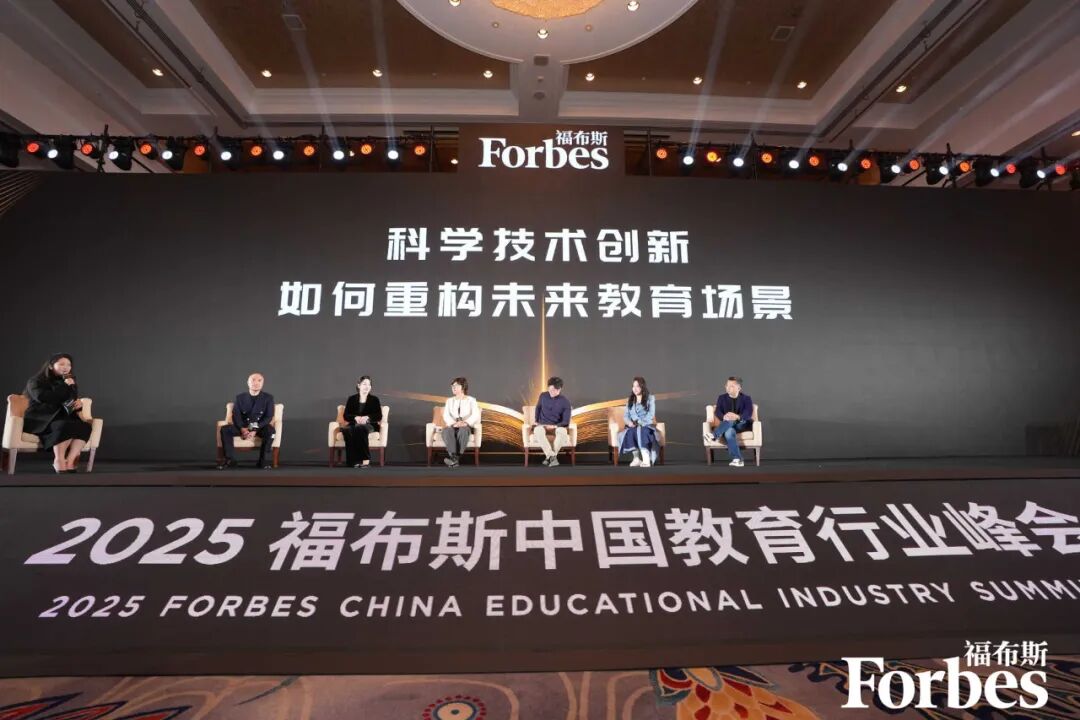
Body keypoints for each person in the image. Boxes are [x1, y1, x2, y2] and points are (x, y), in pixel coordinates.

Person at [23, 353, 92, 473]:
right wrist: (65, 385)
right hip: (42, 418)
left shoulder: (69, 381)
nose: (66, 367)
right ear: (51, 366)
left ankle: (70, 461)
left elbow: (71, 401)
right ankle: (59, 460)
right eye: (61, 364)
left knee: (85, 427)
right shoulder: (35, 381)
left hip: (63, 415)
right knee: (64, 425)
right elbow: (43, 397)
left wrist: (78, 405)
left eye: (69, 365)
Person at [217, 372, 276, 470]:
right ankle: (230, 460)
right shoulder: (240, 397)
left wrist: (254, 430)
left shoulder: (268, 398)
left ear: (263, 383)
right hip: (243, 425)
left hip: (259, 426)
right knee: (225, 429)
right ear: (248, 382)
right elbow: (236, 415)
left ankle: (263, 461)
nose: (256, 383)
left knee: (271, 431)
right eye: (253, 380)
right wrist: (242, 429)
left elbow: (268, 417)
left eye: (259, 380)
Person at [707, 376, 753, 467]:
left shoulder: (746, 398)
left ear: (739, 388)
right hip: (727, 424)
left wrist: (737, 416)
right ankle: (738, 459)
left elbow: (748, 413)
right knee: (729, 432)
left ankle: (714, 435)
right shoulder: (721, 398)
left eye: (731, 386)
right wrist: (724, 416)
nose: (728, 388)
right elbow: (718, 411)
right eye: (727, 385)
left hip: (741, 424)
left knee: (731, 419)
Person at [528, 377, 571, 467]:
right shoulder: (543, 396)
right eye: (550, 389)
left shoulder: (565, 402)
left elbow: (566, 421)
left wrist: (555, 426)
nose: (551, 392)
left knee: (563, 431)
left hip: (556, 427)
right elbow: (538, 408)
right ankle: (552, 457)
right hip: (542, 425)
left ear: (559, 389)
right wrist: (536, 420)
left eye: (554, 390)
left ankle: (550, 458)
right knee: (538, 430)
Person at [341, 375, 382, 468]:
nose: (367, 386)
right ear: (359, 385)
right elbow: (346, 415)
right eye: (364, 384)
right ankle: (352, 461)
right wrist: (355, 417)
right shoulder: (351, 399)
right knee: (347, 430)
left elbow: (378, 416)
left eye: (369, 384)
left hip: (369, 425)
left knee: (359, 429)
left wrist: (367, 417)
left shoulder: (374, 399)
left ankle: (365, 460)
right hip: (354, 424)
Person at [618, 376, 660, 467]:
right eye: (633, 386)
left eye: (637, 386)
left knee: (643, 431)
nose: (635, 388)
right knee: (630, 432)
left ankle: (646, 459)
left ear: (642, 386)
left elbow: (651, 414)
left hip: (646, 424)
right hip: (634, 425)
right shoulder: (630, 400)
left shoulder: (650, 398)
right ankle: (636, 459)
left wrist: (641, 423)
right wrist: (629, 423)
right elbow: (626, 416)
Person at [440, 377, 480, 468]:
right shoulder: (449, 401)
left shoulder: (471, 400)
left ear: (463, 387)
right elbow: (446, 415)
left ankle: (454, 459)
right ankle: (454, 459)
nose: (453, 387)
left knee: (463, 430)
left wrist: (466, 423)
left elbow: (475, 414)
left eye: (456, 385)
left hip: (465, 426)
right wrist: (453, 423)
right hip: (453, 425)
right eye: (452, 386)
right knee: (446, 431)